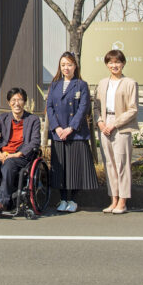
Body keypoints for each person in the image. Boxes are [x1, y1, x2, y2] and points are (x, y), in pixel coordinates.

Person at [46, 51, 99, 213]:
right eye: (63, 65)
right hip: (58, 133)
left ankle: (73, 199)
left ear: (75, 66)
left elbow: (83, 108)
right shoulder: (54, 85)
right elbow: (49, 107)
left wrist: (70, 128)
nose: (66, 68)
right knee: (60, 168)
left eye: (69, 64)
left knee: (75, 168)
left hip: (75, 133)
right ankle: (62, 199)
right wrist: (57, 127)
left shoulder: (81, 85)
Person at [0, 87, 41, 214]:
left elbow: (35, 141)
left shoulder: (33, 119)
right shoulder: (3, 118)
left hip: (21, 156)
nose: (16, 103)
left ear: (24, 102)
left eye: (20, 100)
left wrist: (18, 154)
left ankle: (2, 202)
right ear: (9, 102)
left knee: (9, 164)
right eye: (13, 100)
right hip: (3, 153)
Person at [93, 49, 139, 214]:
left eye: (117, 62)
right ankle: (113, 199)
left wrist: (114, 125)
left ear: (123, 63)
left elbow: (133, 109)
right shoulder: (103, 83)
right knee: (109, 164)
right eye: (111, 62)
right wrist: (100, 122)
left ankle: (123, 201)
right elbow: (96, 106)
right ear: (107, 64)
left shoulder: (130, 83)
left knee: (122, 164)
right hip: (104, 125)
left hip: (121, 127)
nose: (114, 65)